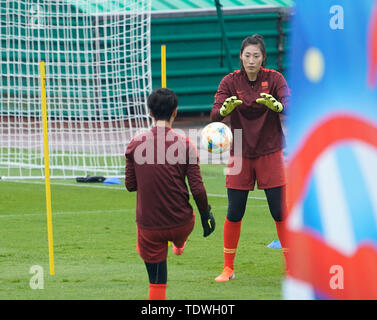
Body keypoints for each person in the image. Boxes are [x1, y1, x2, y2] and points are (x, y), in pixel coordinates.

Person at [210, 34, 290, 282]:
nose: (251, 60)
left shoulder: (275, 78)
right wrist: (224, 110)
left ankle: (292, 268)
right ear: (241, 57)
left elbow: (290, 104)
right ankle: (228, 268)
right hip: (239, 154)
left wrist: (279, 107)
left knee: (279, 211)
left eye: (256, 56)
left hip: (270, 151)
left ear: (263, 58)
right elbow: (215, 113)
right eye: (247, 55)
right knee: (235, 211)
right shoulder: (230, 81)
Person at [125, 88, 215, 299]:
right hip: (183, 224)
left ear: (149, 112)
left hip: (150, 227)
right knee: (181, 224)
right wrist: (205, 214)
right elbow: (197, 189)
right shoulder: (186, 145)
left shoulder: (135, 144)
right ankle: (179, 242)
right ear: (175, 112)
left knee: (156, 282)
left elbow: (130, 186)